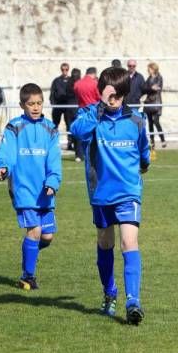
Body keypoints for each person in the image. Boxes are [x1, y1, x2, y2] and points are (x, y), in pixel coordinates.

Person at [70, 67, 151, 325]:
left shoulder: (137, 121)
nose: (112, 100)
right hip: (101, 194)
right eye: (108, 95)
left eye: (116, 95)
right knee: (106, 245)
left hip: (129, 192)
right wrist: (99, 106)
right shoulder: (92, 116)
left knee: (129, 243)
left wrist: (145, 163)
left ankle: (133, 301)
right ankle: (109, 292)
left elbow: (143, 151)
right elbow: (77, 132)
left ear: (125, 94)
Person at [0, 83, 61, 290]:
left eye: (39, 103)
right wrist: (3, 167)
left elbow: (54, 159)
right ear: (22, 105)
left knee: (47, 237)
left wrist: (53, 180)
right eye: (31, 104)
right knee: (35, 230)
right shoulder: (14, 127)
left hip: (44, 190)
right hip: (23, 189)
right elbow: (7, 152)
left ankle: (29, 253)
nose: (35, 107)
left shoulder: (50, 128)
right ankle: (28, 276)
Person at [50, 63, 75, 151]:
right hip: (58, 105)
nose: (65, 71)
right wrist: (53, 104)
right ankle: (53, 143)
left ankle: (70, 143)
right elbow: (52, 93)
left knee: (69, 125)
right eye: (63, 69)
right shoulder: (56, 81)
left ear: (68, 70)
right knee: (55, 124)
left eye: (66, 69)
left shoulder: (71, 80)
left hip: (68, 106)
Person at [143, 62, 166, 152]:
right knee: (150, 123)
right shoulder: (148, 78)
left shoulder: (159, 77)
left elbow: (158, 88)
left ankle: (163, 140)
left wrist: (151, 88)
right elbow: (145, 88)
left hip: (156, 103)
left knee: (156, 121)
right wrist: (151, 88)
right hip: (148, 103)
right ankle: (152, 143)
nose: (148, 70)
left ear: (153, 69)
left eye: (149, 68)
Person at [67, 68, 83, 161]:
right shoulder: (79, 85)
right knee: (79, 132)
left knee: (73, 131)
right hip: (76, 108)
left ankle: (78, 154)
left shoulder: (69, 84)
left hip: (70, 109)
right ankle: (80, 154)